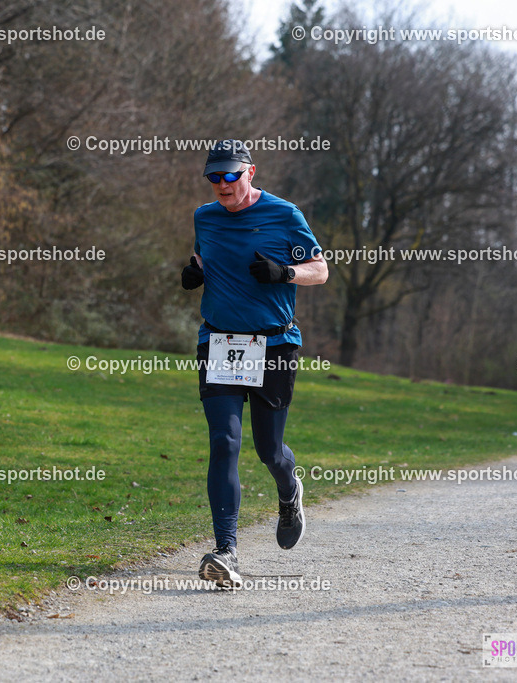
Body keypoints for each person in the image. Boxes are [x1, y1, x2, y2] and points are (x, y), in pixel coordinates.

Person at [181, 139, 328, 587]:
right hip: (220, 342)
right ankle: (226, 550)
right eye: (214, 177)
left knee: (269, 451)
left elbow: (320, 270)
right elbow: (207, 258)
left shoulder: (285, 215)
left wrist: (285, 273)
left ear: (251, 172)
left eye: (231, 175)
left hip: (274, 344)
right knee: (225, 441)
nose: (223, 184)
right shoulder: (204, 217)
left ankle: (289, 490)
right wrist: (195, 273)